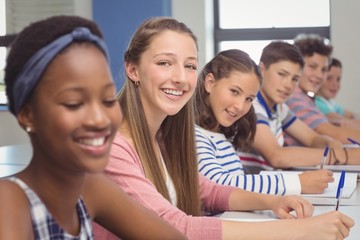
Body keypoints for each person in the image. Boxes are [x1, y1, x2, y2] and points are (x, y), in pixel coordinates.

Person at [94, 16, 354, 240]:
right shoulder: (113, 148)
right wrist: (300, 230)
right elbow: (173, 228)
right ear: (132, 69)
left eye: (189, 65)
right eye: (164, 63)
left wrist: (273, 202)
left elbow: (207, 190)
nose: (180, 77)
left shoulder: (164, 136)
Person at [0, 15, 187, 239]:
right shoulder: (9, 202)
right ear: (28, 115)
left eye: (108, 100)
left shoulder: (90, 187)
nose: (100, 119)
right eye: (74, 103)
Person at [195, 47, 334, 196]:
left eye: (249, 99)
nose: (240, 106)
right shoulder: (194, 136)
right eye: (234, 92)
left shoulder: (222, 134)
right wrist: (296, 182)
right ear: (209, 83)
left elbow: (238, 182)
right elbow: (219, 185)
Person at [285, 33, 360, 163]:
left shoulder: (306, 98)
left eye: (324, 69)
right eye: (312, 66)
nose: (319, 75)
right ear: (296, 65)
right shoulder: (294, 97)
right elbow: (333, 133)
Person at [315, 57, 360, 129]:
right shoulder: (317, 103)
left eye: (338, 79)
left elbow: (351, 115)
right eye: (329, 78)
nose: (335, 85)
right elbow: (344, 121)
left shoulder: (332, 103)